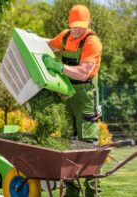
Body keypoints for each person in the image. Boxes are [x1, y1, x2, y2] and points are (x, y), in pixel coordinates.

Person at [42, 4, 103, 197]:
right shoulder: (66, 36)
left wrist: (59, 68)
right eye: (74, 25)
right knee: (69, 144)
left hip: (85, 98)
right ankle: (71, 191)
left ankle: (93, 192)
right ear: (69, 24)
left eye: (81, 26)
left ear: (89, 23)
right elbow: (48, 44)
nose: (77, 29)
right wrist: (30, 39)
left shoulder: (92, 42)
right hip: (68, 96)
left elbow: (84, 73)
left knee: (88, 147)